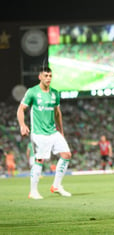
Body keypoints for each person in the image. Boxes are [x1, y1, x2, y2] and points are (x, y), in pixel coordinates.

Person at [17, 66, 72, 199]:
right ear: (40, 77)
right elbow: (20, 109)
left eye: (50, 76)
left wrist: (61, 131)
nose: (48, 78)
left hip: (53, 132)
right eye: (45, 76)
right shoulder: (32, 92)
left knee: (66, 154)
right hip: (38, 133)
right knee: (39, 159)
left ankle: (56, 186)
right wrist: (22, 125)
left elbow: (57, 113)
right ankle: (33, 191)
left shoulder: (54, 93)